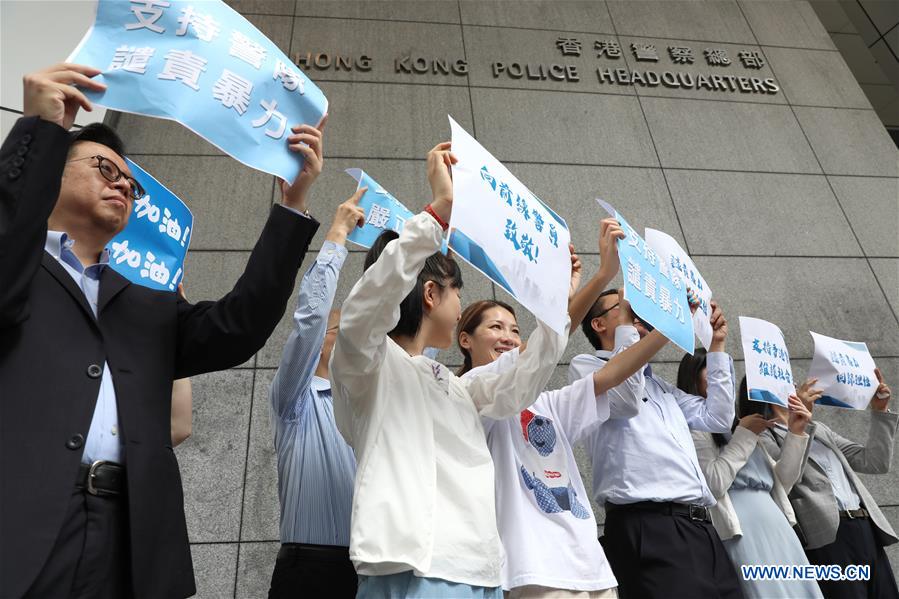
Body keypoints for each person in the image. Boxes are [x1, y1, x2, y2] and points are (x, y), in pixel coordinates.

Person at [0, 63, 322, 598]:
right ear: (54, 171)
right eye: (107, 170)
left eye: (132, 185)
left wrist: (292, 207)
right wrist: (40, 131)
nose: (125, 186)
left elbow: (237, 327)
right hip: (24, 530)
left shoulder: (146, 304)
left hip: (131, 544)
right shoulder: (18, 270)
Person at [329, 142, 570, 598]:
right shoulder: (366, 364)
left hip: (479, 570)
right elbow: (366, 307)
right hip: (411, 570)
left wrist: (554, 299)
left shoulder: (454, 385)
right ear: (431, 294)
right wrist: (438, 213)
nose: (462, 306)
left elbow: (521, 380)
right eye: (458, 292)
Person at [569, 288, 742, 599]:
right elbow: (625, 403)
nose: (637, 313)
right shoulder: (586, 367)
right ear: (598, 324)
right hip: (648, 525)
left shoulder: (658, 385)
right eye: (625, 307)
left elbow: (717, 417)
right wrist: (628, 327)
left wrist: (716, 347)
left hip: (699, 525)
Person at [267, 192, 366, 599]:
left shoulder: (369, 406)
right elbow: (309, 321)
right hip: (310, 570)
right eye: (343, 332)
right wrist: (338, 235)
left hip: (373, 568)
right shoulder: (296, 400)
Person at [680, 354, 823, 599]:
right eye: (714, 376)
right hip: (742, 529)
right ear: (694, 382)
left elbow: (782, 482)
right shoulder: (694, 427)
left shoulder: (740, 423)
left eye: (725, 377)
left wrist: (796, 433)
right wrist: (744, 435)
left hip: (776, 523)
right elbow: (714, 483)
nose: (723, 383)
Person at [759, 369, 899, 599]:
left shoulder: (821, 428)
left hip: (864, 524)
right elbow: (791, 476)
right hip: (827, 533)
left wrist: (880, 412)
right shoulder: (764, 436)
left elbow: (874, 462)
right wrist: (801, 426)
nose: (796, 387)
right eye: (787, 383)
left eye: (793, 382)